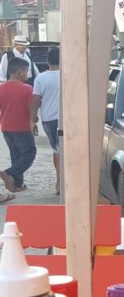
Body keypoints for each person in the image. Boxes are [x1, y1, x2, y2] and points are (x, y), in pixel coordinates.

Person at [0, 57, 37, 194]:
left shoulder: (1, 88)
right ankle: (10, 173)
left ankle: (16, 184)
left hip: (6, 127)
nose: (27, 75)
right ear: (21, 72)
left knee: (16, 154)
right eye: (26, 71)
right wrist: (33, 121)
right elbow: (31, 108)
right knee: (29, 153)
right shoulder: (27, 89)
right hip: (21, 127)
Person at [31, 47, 61, 194]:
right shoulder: (70, 75)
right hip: (68, 118)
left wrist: (33, 120)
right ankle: (61, 182)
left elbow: (35, 100)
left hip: (48, 120)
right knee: (63, 150)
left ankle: (59, 182)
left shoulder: (40, 78)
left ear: (48, 61)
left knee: (57, 150)